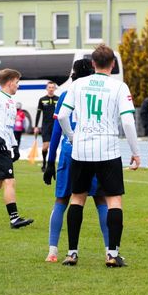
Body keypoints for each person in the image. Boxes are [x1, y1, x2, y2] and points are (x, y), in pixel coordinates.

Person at [57, 44, 140, 268]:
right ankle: (112, 254)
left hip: (82, 149)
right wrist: (135, 152)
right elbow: (128, 122)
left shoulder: (78, 84)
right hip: (108, 149)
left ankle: (72, 253)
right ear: (112, 64)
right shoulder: (119, 86)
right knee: (114, 200)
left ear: (93, 63)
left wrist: (72, 137)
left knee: (77, 198)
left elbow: (62, 115)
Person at [43, 59, 109, 263]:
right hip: (94, 150)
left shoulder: (66, 94)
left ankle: (53, 251)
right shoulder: (99, 93)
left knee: (62, 200)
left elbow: (57, 131)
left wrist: (50, 161)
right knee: (101, 200)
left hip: (69, 150)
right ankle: (110, 251)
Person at [0, 68, 34, 229]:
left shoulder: (10, 102)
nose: (18, 85)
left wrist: (15, 146)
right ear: (10, 82)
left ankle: (14, 219)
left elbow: (9, 127)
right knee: (9, 180)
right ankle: (14, 219)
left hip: (4, 147)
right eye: (17, 82)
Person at [34, 81, 59, 171]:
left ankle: (51, 165)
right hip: (45, 126)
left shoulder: (58, 99)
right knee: (45, 146)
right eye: (49, 87)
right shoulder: (42, 99)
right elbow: (38, 113)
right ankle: (44, 163)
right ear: (46, 88)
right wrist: (36, 126)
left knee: (53, 147)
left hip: (55, 126)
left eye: (52, 87)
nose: (51, 89)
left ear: (55, 89)